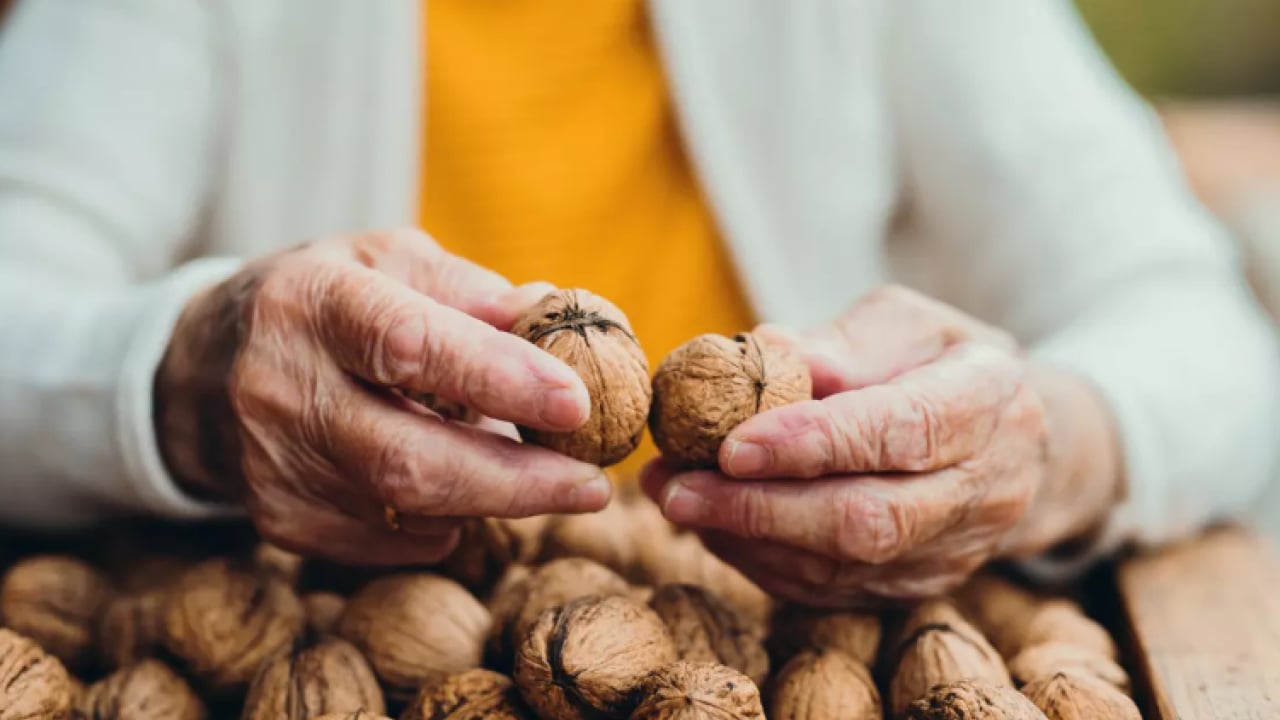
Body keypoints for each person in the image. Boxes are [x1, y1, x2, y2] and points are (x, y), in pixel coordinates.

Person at [0, 1, 1276, 606]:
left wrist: (1040, 443)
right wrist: (182, 379)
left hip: (770, 638)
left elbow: (1194, 325)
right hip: (344, 624)